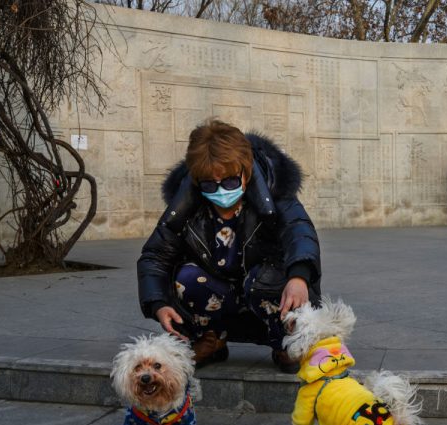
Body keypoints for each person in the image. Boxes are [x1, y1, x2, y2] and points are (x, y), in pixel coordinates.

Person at [137, 120, 321, 373]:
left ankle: (285, 343)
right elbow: (155, 256)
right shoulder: (187, 206)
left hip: (263, 290)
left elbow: (300, 232)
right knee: (186, 278)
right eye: (210, 185)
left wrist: (300, 275)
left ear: (246, 174)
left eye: (230, 182)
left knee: (265, 280)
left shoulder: (274, 191)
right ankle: (211, 339)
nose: (221, 190)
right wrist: (158, 303)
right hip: (220, 294)